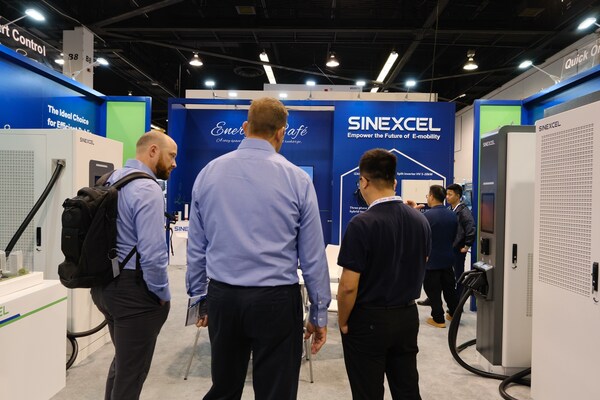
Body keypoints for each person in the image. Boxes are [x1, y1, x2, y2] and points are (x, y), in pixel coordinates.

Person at [186, 97, 331, 400]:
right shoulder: (298, 179)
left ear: (245, 127)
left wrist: (200, 297)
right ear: (281, 132)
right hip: (276, 301)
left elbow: (196, 246)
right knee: (276, 392)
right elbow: (313, 256)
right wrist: (319, 312)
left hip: (224, 297)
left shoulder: (208, 173)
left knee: (224, 388)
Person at [337, 149, 431, 400]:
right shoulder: (420, 220)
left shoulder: (361, 224)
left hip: (369, 319)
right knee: (407, 389)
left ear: (364, 181)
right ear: (394, 182)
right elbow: (423, 261)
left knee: (367, 392)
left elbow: (348, 286)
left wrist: (343, 321)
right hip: (407, 316)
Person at [90, 130, 177, 400]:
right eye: (171, 156)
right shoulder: (147, 188)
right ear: (153, 151)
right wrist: (161, 293)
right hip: (134, 293)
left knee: (123, 366)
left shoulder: (110, 179)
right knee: (132, 375)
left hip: (105, 286)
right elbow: (152, 253)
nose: (174, 163)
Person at [421, 185, 458, 328]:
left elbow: (423, 239)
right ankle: (454, 314)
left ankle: (438, 319)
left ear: (431, 196)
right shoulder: (452, 214)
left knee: (433, 290)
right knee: (450, 288)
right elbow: (454, 236)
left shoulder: (427, 216)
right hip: (448, 258)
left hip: (431, 260)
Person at [446, 183, 475, 298]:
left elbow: (470, 227)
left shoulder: (463, 211)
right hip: (450, 247)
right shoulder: (450, 209)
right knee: (449, 274)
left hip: (459, 248)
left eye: (450, 194)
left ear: (458, 196)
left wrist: (467, 245)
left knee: (459, 275)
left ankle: (459, 300)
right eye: (447, 194)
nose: (447, 197)